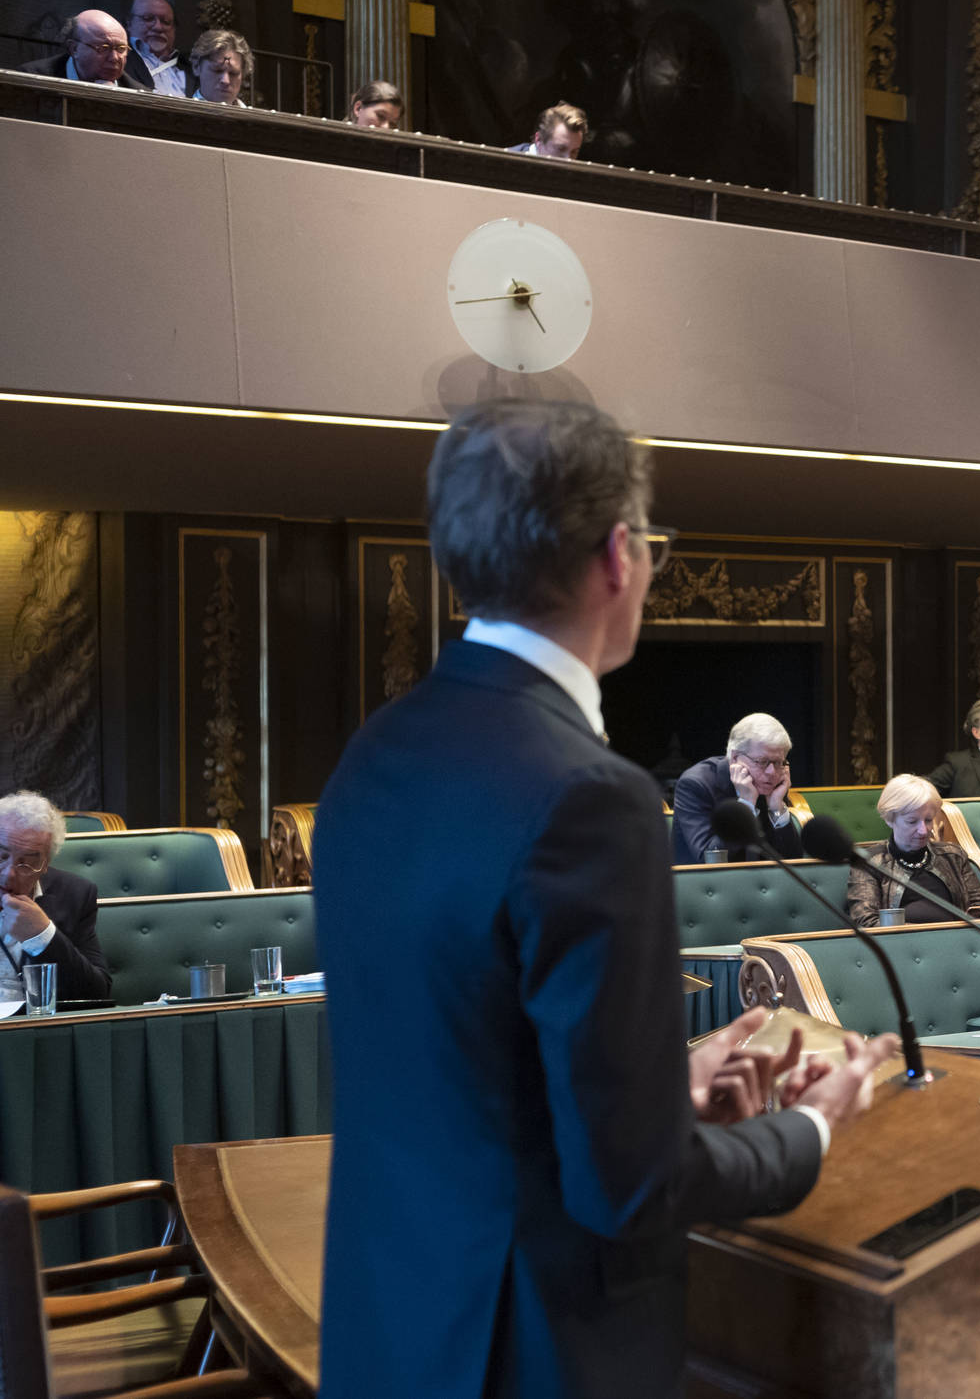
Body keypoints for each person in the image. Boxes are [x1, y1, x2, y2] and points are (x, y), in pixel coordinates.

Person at [314, 398, 899, 1398]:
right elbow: (631, 1188)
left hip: (391, 1325)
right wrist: (808, 1131)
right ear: (620, 557)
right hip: (535, 1349)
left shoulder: (372, 756)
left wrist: (656, 1078)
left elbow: (467, 1069)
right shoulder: (594, 796)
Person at [0, 791, 112, 1003]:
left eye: (26, 863)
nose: (9, 873)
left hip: (37, 1028)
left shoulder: (75, 895)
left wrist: (42, 935)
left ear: (45, 866)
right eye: (1, 855)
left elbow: (97, 995)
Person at [847, 774, 980, 926]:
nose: (923, 830)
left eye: (928, 820)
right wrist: (927, 934)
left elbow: (978, 903)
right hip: (899, 946)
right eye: (912, 821)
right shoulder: (869, 862)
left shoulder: (952, 855)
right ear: (889, 819)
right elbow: (866, 922)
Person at [671, 713, 804, 865]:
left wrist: (776, 808)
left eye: (779, 762)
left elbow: (794, 862)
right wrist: (746, 805)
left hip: (762, 885)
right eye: (762, 761)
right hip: (704, 886)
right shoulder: (696, 785)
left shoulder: (771, 785)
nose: (771, 773)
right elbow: (709, 859)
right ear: (734, 758)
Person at [21, 11, 148, 90]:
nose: (114, 58)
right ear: (74, 49)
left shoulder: (138, 94)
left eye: (121, 49)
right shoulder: (32, 81)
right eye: (104, 48)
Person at [123, 0, 186, 96]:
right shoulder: (118, 60)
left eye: (166, 22)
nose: (158, 27)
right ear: (129, 23)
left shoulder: (191, 68)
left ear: (174, 29)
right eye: (148, 18)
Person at [187, 30, 250, 105]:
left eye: (233, 73)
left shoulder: (255, 117)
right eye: (217, 70)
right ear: (196, 67)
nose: (225, 81)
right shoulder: (177, 114)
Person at [509, 102, 589, 159]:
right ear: (538, 140)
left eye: (574, 152)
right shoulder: (505, 164)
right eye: (560, 149)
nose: (568, 160)